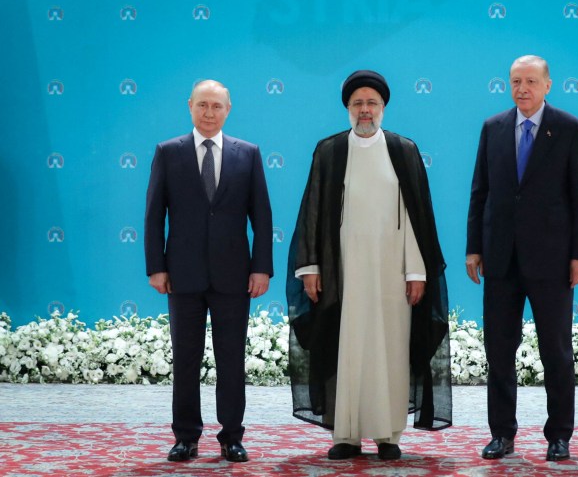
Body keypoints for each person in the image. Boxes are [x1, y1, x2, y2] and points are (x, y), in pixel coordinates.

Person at [286, 70, 452, 461]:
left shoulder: (403, 149)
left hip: (392, 271)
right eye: (357, 103)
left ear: (383, 108)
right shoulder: (329, 150)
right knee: (347, 349)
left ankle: (387, 435)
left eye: (371, 103)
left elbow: (417, 217)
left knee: (390, 350)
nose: (365, 110)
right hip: (342, 271)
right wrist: (310, 267)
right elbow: (311, 209)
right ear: (347, 108)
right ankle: (345, 434)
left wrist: (416, 271)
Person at [466, 55, 578, 461]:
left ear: (548, 85)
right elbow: (479, 192)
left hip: (552, 260)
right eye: (516, 81)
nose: (523, 89)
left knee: (555, 350)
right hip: (500, 259)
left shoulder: (570, 129)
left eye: (531, 82)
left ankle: (559, 436)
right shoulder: (493, 128)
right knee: (499, 350)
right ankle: (502, 433)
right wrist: (474, 247)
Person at [144, 80, 273, 463]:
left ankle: (231, 436)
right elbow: (154, 216)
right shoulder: (168, 152)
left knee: (231, 358)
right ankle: (186, 437)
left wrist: (261, 268)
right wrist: (156, 268)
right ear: (190, 107)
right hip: (182, 274)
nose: (209, 113)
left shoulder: (247, 153)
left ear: (228, 109)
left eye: (217, 106)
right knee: (185, 358)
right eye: (202, 105)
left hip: (234, 275)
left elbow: (261, 218)